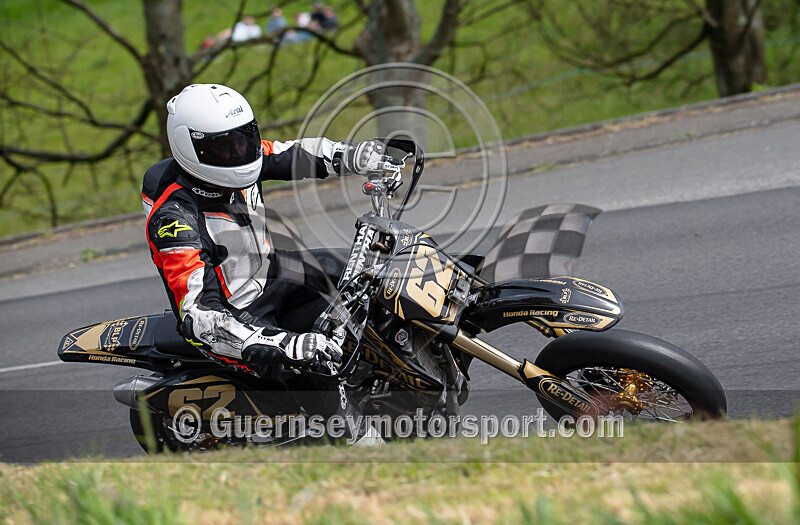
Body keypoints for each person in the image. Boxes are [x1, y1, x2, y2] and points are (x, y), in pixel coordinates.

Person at [142, 84, 392, 444]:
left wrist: (355, 156)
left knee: (357, 276)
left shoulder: (242, 158)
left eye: (243, 138)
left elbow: (292, 153)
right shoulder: (174, 220)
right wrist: (286, 345)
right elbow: (199, 314)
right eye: (221, 146)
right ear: (188, 147)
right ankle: (355, 442)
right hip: (234, 316)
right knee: (313, 364)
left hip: (267, 272)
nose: (238, 152)